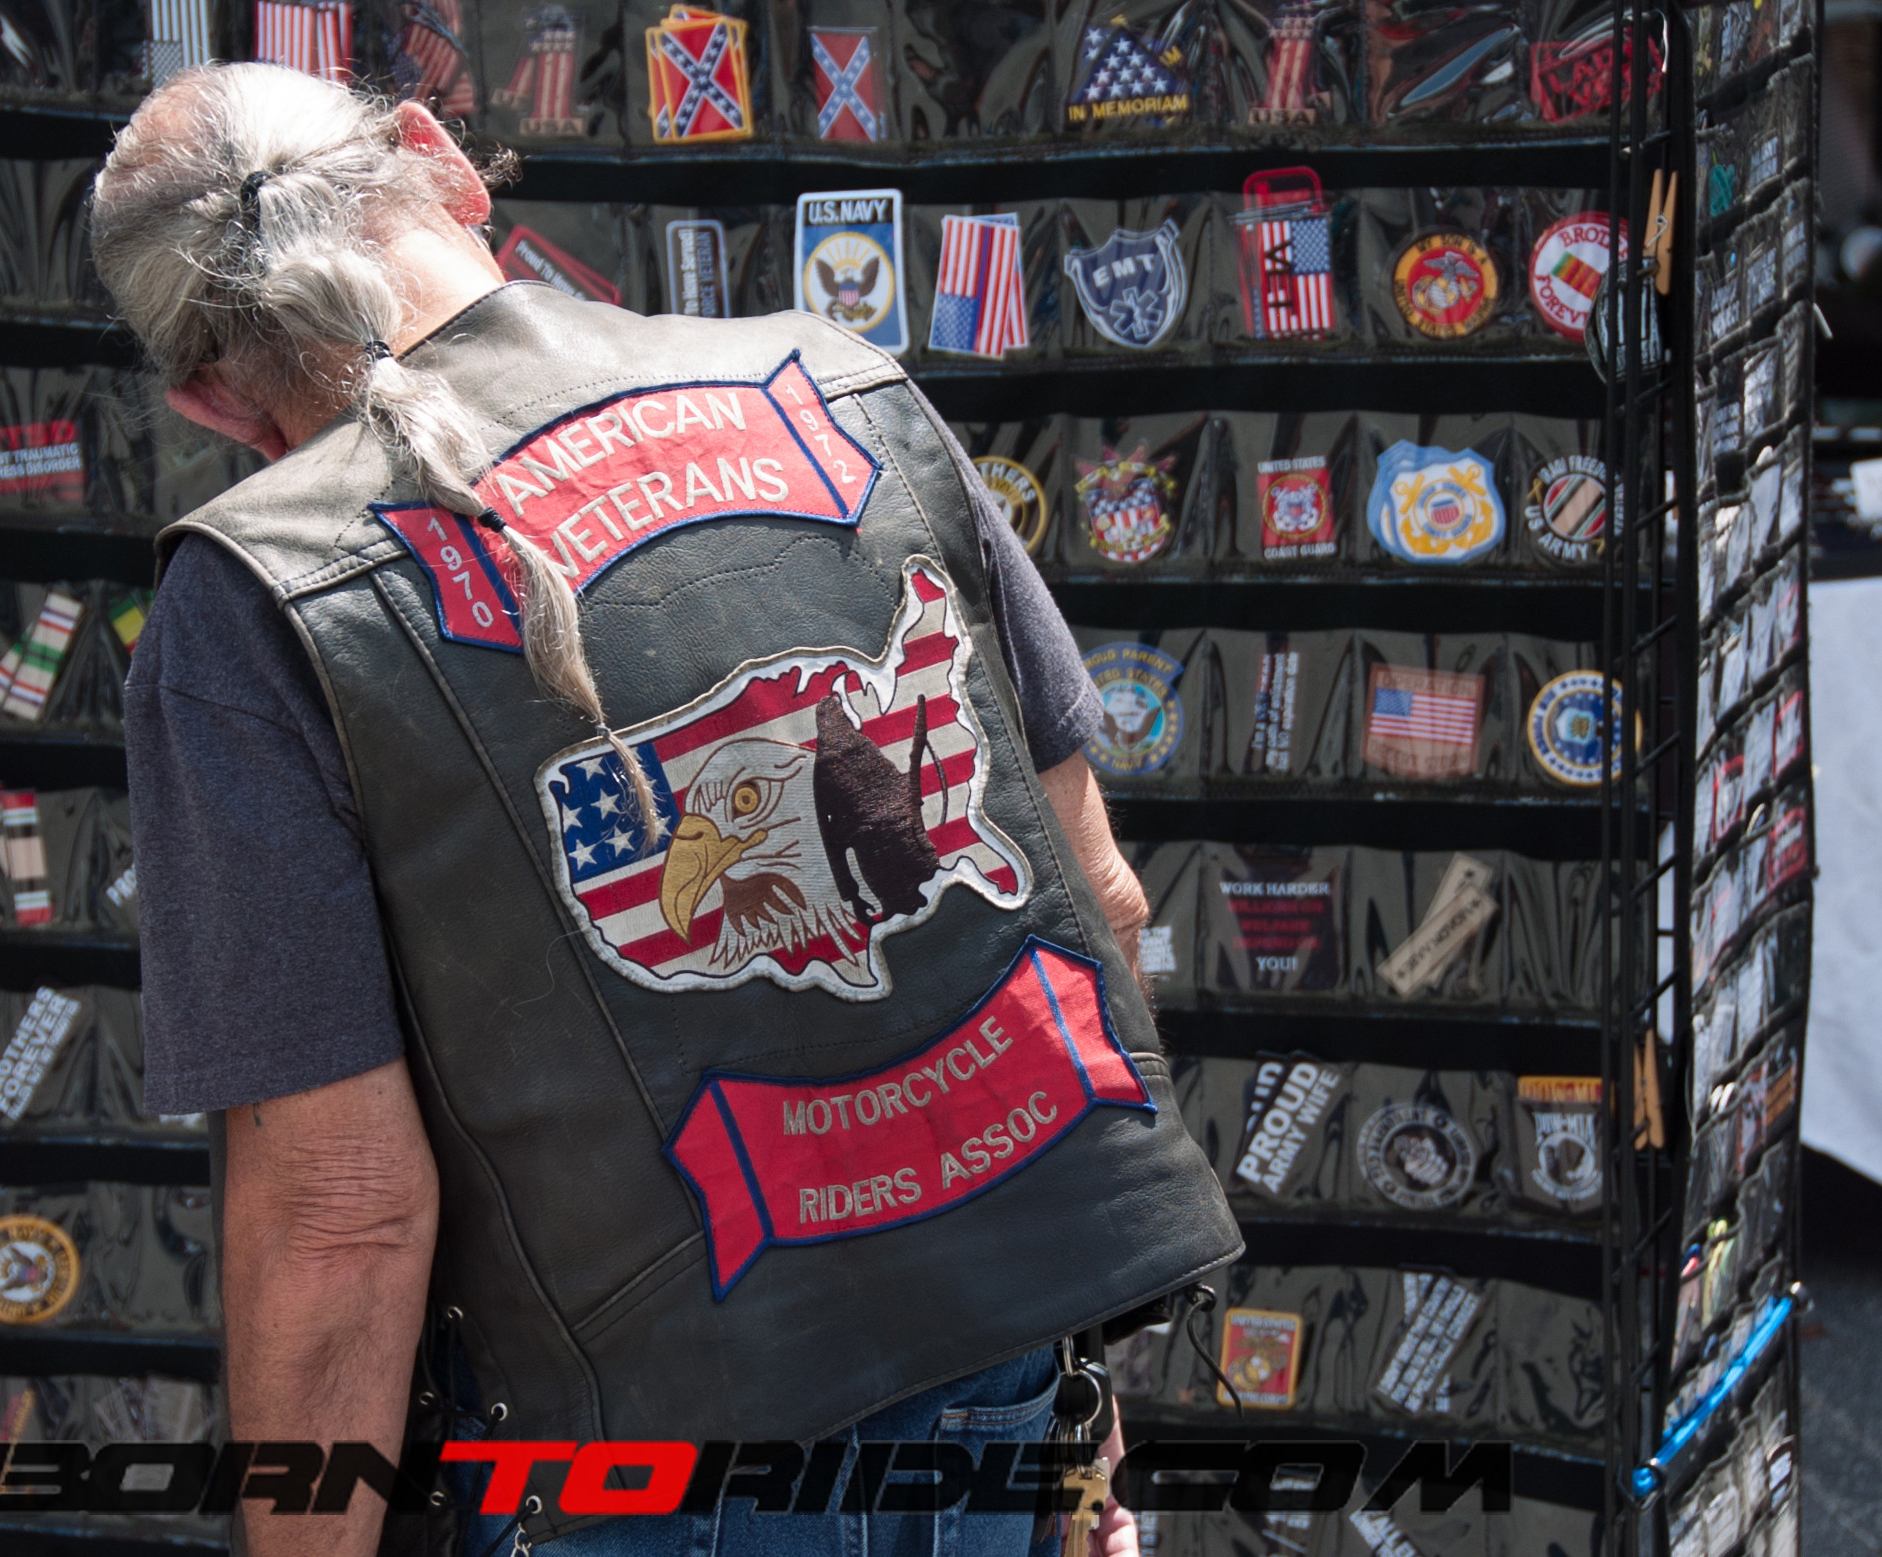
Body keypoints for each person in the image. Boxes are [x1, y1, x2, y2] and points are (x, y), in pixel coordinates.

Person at [90, 62, 1240, 1557]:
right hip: (998, 1390)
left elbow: (344, 1211)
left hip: (645, 1474)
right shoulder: (839, 383)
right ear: (444, 160)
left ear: (209, 397)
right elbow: (1098, 908)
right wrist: (1081, 1413)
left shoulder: (252, 602)